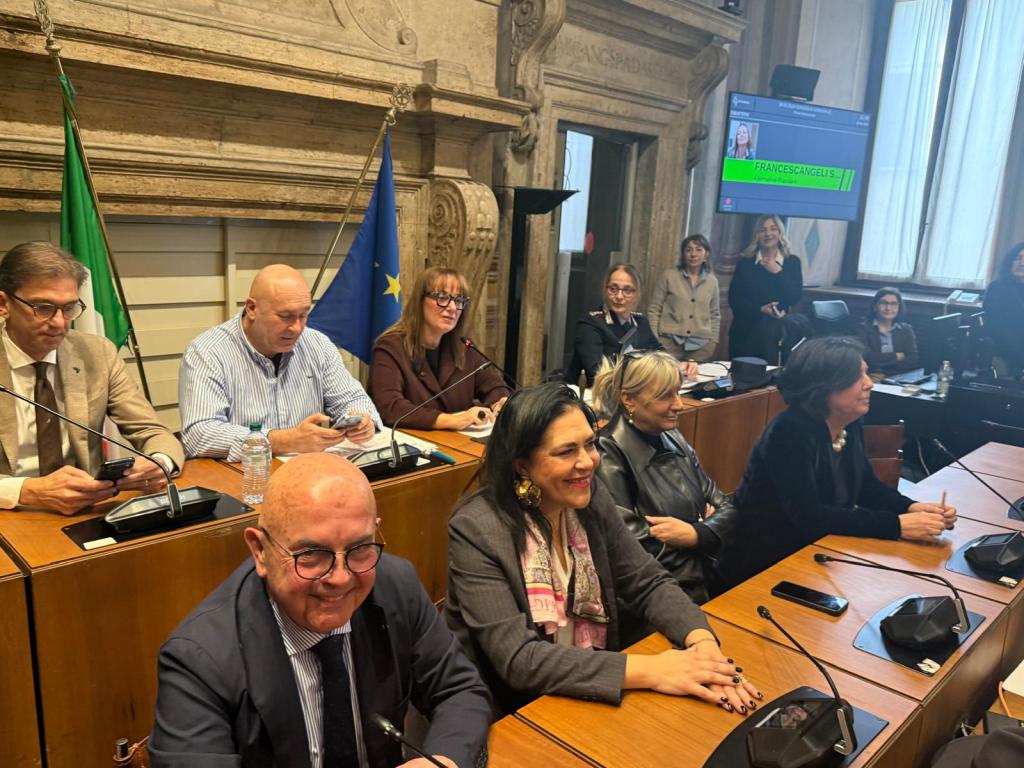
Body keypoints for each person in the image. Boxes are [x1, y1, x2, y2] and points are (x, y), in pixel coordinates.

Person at [150, 453, 490, 767]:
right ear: (260, 550)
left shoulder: (396, 585)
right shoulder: (198, 659)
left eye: (359, 548)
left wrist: (444, 761)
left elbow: (458, 690)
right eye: (311, 554)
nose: (341, 578)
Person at [446, 383, 761, 719]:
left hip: (586, 688)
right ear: (522, 465)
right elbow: (520, 661)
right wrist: (654, 671)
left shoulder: (589, 496)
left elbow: (647, 581)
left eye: (590, 444)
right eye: (567, 451)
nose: (587, 463)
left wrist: (702, 647)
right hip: (511, 710)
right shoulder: (476, 528)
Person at [715, 337, 957, 590]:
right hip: (763, 565)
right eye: (859, 377)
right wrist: (895, 525)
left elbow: (866, 487)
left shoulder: (848, 423)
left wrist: (913, 509)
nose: (870, 384)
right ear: (827, 386)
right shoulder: (789, 432)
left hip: (819, 552)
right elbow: (808, 516)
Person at [0, 241, 183, 515]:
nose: (60, 323)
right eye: (44, 308)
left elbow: (154, 432)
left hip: (86, 511)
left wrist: (159, 462)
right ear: (4, 304)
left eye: (69, 308)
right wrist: (27, 490)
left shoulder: (96, 353)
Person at [179, 264, 380, 461]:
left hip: (310, 473)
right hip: (245, 478)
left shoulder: (317, 344)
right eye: (285, 316)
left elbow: (352, 399)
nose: (297, 328)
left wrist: (363, 422)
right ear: (252, 308)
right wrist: (285, 440)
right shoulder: (207, 352)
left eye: (304, 315)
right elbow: (199, 434)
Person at [592, 352, 736, 606]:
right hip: (657, 600)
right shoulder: (607, 453)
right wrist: (709, 531)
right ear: (629, 400)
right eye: (665, 396)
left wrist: (696, 533)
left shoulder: (673, 437)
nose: (679, 404)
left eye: (678, 392)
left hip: (706, 583)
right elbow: (635, 549)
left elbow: (728, 507)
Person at [369, 266, 510, 429]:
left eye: (458, 300)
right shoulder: (390, 346)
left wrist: (501, 401)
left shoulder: (464, 347)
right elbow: (389, 407)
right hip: (411, 447)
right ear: (420, 301)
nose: (452, 308)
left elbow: (494, 386)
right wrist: (452, 420)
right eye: (442, 297)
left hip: (457, 445)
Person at [567, 264, 697, 387]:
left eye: (627, 290)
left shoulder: (640, 322)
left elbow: (659, 353)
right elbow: (596, 373)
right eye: (613, 289)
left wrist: (678, 365)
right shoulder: (591, 324)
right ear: (605, 290)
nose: (619, 296)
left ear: (637, 294)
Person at [727, 215, 808, 363]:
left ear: (780, 233)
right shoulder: (745, 263)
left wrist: (777, 272)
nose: (768, 234)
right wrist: (760, 309)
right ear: (757, 235)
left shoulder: (792, 262)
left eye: (773, 229)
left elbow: (794, 296)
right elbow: (734, 300)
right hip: (745, 332)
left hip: (777, 334)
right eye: (762, 230)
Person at [647, 234, 721, 363]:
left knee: (695, 381)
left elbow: (715, 314)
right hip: (668, 343)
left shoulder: (712, 281)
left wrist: (713, 342)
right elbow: (654, 309)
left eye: (698, 249)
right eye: (689, 249)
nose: (693, 254)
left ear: (706, 254)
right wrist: (655, 339)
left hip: (701, 346)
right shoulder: (669, 276)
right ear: (683, 254)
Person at [983, 242, 1024, 378]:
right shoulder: (997, 288)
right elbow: (997, 328)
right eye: (1018, 258)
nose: (1021, 263)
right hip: (1006, 350)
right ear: (1010, 262)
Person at [859, 287, 919, 375]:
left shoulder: (906, 329)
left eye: (893, 304)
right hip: (869, 377)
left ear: (899, 308)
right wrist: (897, 356)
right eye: (883, 303)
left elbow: (913, 359)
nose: (888, 308)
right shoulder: (862, 328)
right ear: (875, 307)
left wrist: (885, 371)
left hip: (897, 377)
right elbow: (868, 358)